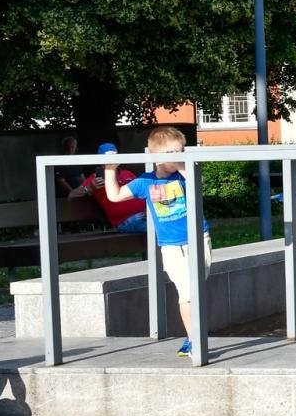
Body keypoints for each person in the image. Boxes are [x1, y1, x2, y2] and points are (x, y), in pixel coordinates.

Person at [103, 127, 210, 357]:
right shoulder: (146, 182)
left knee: (198, 289)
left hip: (199, 238)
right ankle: (194, 340)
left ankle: (194, 337)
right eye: (171, 152)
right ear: (157, 156)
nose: (177, 155)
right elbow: (114, 196)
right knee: (187, 293)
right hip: (171, 245)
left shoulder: (185, 174)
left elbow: (197, 181)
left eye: (180, 151)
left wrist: (181, 164)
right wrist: (110, 169)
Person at [70, 164, 148, 233]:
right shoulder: (94, 179)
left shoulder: (127, 173)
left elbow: (142, 191)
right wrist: (90, 188)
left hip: (145, 214)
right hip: (125, 221)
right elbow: (71, 196)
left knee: (157, 222)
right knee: (155, 227)